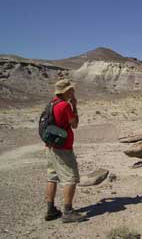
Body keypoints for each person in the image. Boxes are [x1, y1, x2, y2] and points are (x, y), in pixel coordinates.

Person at [44, 79, 86, 223]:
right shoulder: (64, 106)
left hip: (50, 147)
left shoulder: (51, 103)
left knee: (52, 177)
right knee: (71, 178)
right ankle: (68, 212)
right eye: (71, 90)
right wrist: (74, 106)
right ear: (66, 91)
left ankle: (50, 210)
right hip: (63, 148)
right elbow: (74, 125)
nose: (73, 92)